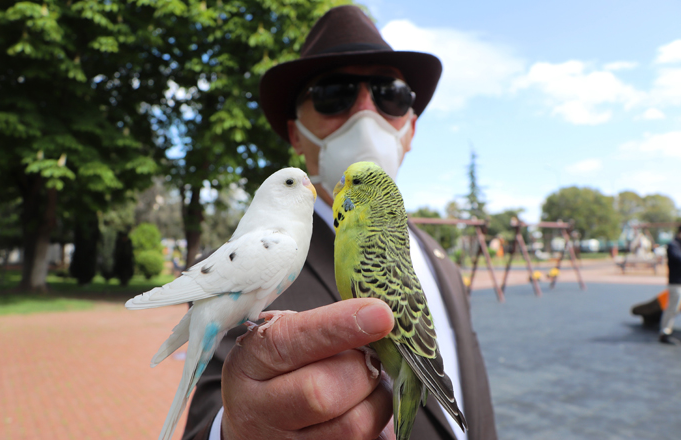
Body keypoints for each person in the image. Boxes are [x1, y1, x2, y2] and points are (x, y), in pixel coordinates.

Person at [182, 6, 497, 440]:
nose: (364, 113)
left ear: (411, 127)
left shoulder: (441, 260)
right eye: (335, 93)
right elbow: (204, 423)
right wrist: (239, 429)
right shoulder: (243, 262)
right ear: (295, 134)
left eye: (391, 93)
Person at [659, 224, 681, 345]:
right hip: (677, 282)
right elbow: (680, 260)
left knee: (676, 308)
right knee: (673, 308)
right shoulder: (674, 245)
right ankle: (665, 332)